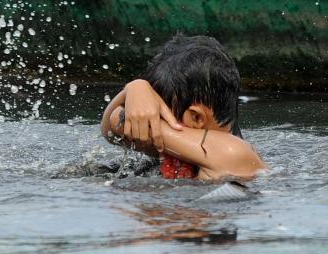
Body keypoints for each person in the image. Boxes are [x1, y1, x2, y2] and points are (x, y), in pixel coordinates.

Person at [101, 34, 266, 181]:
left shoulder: (235, 154)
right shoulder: (186, 150)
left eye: (161, 115)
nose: (155, 121)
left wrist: (134, 96)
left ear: (197, 117)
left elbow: (118, 121)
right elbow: (111, 130)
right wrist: (134, 88)